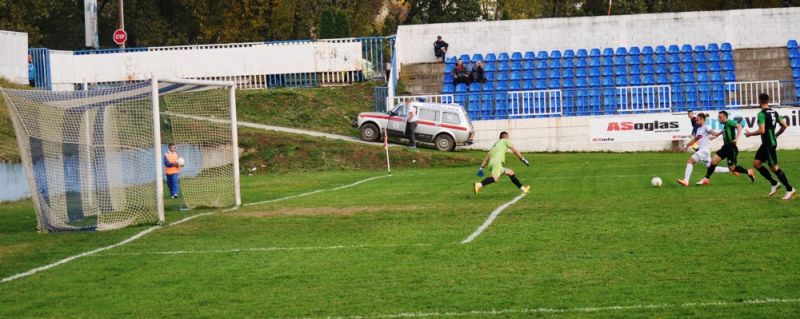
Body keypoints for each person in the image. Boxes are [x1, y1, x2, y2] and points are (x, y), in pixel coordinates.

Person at [744, 93, 795, 199]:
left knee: (774, 168)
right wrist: (776, 135)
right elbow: (785, 125)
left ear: (759, 101)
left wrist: (750, 134)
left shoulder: (761, 114)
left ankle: (790, 189)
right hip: (768, 143)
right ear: (768, 101)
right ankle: (774, 183)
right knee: (756, 164)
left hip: (768, 144)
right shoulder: (774, 112)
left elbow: (762, 130)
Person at [676, 113, 739, 186]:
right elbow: (695, 139)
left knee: (690, 161)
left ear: (702, 119)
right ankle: (731, 170)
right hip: (703, 151)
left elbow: (711, 131)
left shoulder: (706, 127)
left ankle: (686, 181)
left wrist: (715, 133)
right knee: (711, 168)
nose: (696, 121)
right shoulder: (699, 129)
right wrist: (687, 145)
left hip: (704, 151)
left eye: (698, 119)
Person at [696, 111, 754, 185]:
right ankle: (706, 179)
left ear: (724, 117)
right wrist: (715, 136)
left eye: (720, 117)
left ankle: (749, 172)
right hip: (725, 147)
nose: (719, 119)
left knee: (732, 168)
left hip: (731, 148)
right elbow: (722, 131)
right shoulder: (725, 125)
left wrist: (736, 138)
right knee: (713, 161)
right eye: (718, 117)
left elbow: (739, 126)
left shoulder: (729, 122)